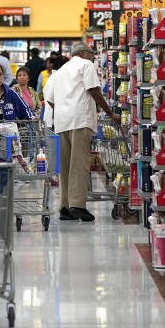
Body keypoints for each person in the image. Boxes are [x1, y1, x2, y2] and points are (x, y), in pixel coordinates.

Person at [45, 42, 121, 222]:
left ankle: (65, 207)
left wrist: (64, 109)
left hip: (62, 122)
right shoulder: (86, 65)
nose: (94, 58)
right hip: (80, 120)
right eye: (92, 55)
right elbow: (94, 90)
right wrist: (110, 113)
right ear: (84, 53)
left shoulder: (61, 70)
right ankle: (78, 206)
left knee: (65, 165)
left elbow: (50, 100)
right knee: (79, 163)